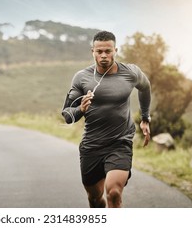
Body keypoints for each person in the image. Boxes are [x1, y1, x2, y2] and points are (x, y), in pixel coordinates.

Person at [61, 30, 151, 208]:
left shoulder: (131, 73)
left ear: (115, 50)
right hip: (92, 146)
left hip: (120, 142)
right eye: (99, 51)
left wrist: (145, 118)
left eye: (108, 51)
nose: (103, 55)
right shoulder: (82, 78)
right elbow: (67, 115)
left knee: (114, 192)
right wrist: (81, 108)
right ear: (92, 52)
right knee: (95, 198)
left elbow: (145, 87)